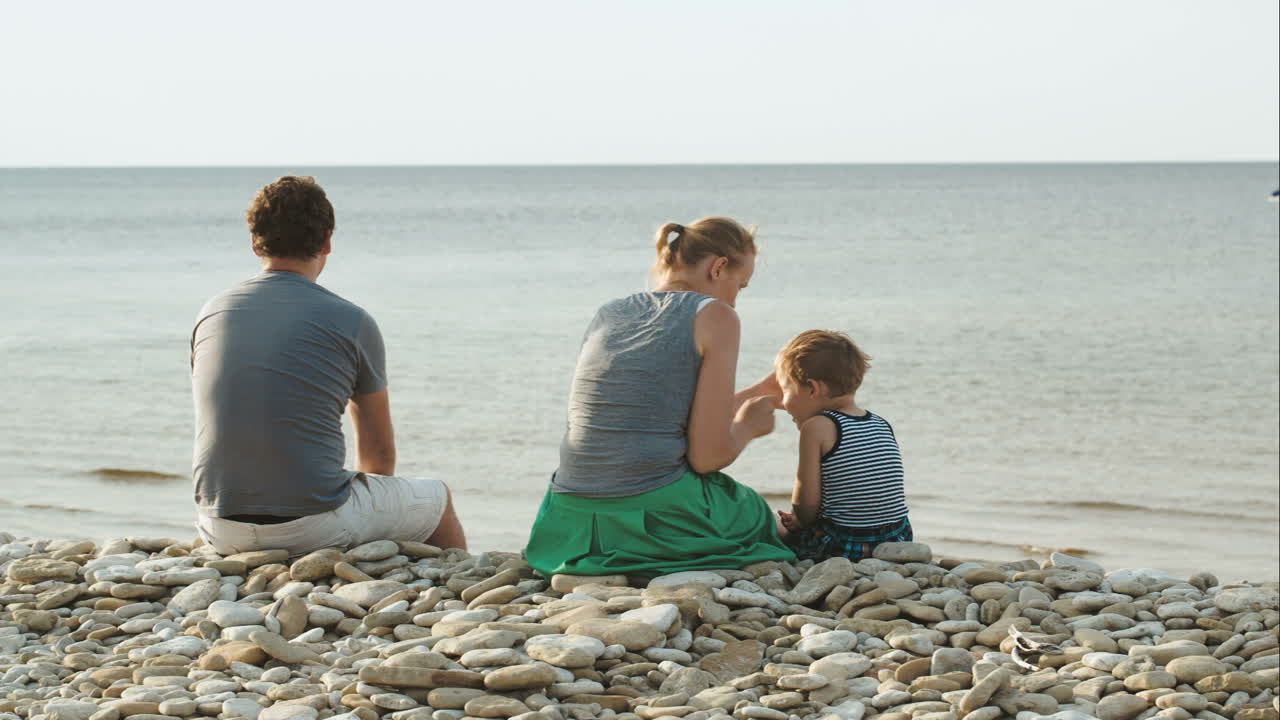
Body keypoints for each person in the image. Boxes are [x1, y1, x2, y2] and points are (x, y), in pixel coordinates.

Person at [190, 176, 465, 555]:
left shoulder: (213, 312)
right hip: (311, 524)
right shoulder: (351, 321)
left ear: (255, 242)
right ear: (327, 241)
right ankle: (457, 595)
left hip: (218, 523)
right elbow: (379, 455)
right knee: (437, 498)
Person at [525, 217, 795, 577]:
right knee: (752, 510)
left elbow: (651, 419)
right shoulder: (718, 316)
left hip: (569, 516)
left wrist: (757, 393)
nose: (736, 299)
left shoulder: (609, 313)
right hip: (651, 512)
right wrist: (748, 427)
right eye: (740, 286)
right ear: (718, 268)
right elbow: (706, 457)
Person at [774, 330, 912, 561]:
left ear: (812, 388)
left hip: (842, 543)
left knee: (772, 524)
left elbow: (807, 506)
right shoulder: (880, 423)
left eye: (785, 390)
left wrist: (797, 521)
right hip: (896, 538)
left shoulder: (816, 427)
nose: (783, 403)